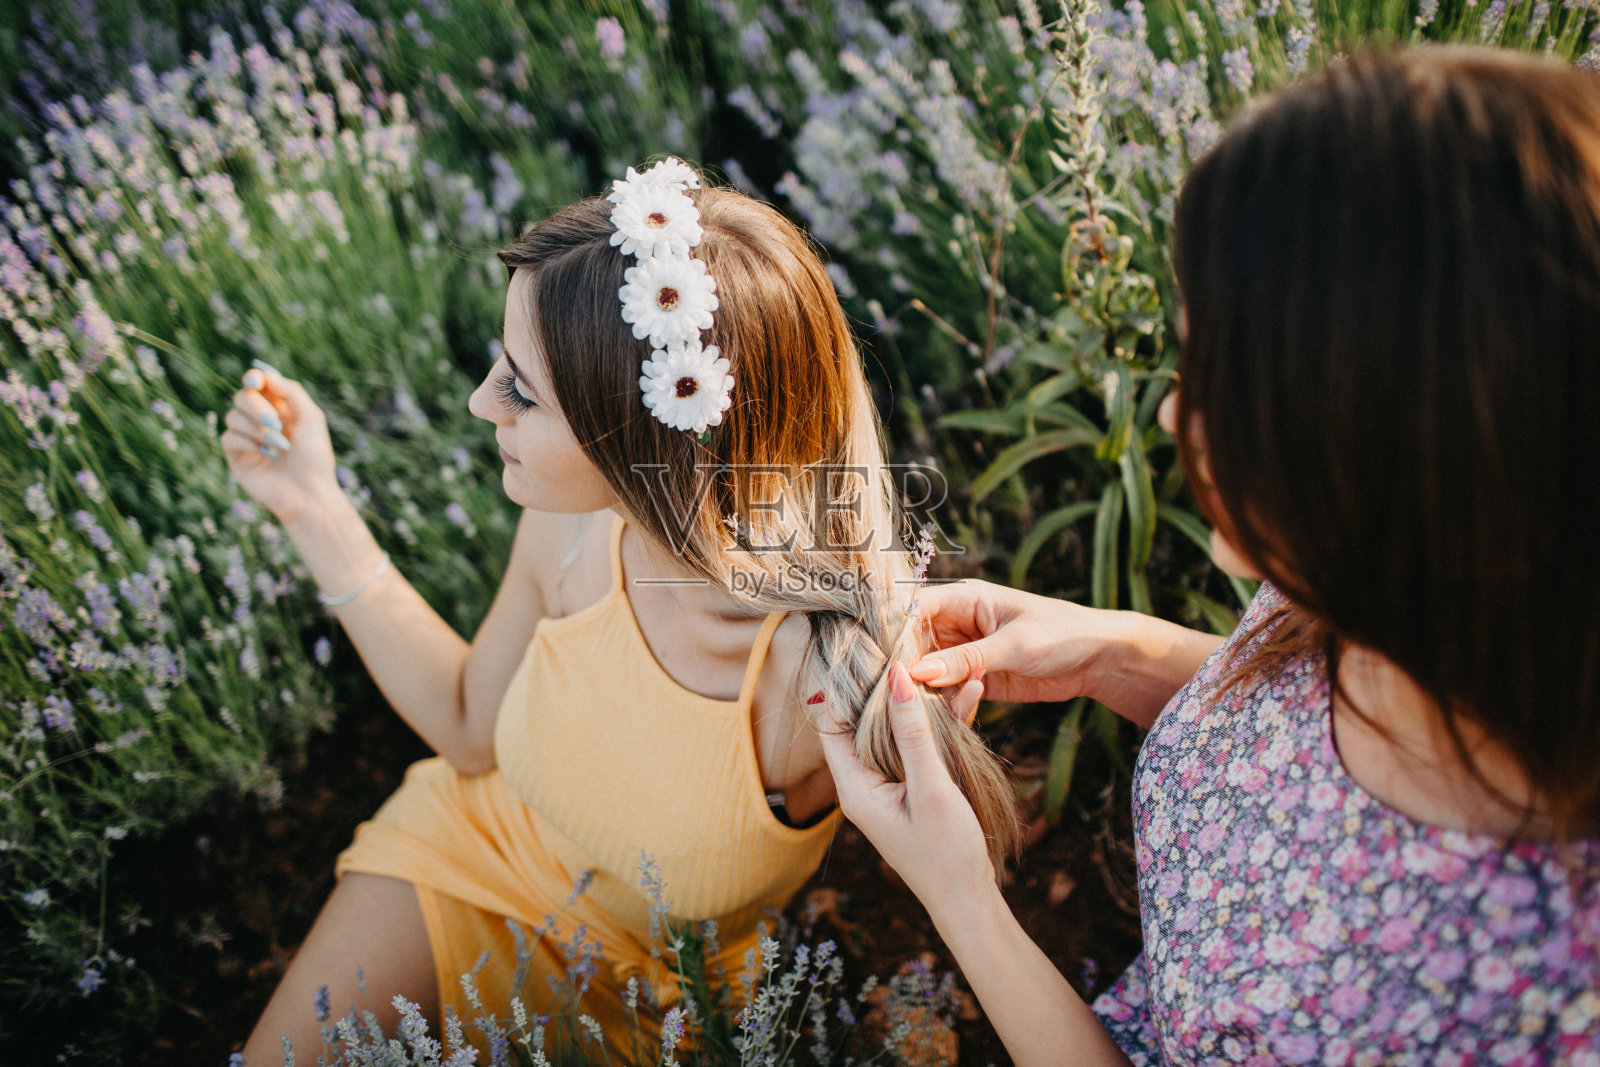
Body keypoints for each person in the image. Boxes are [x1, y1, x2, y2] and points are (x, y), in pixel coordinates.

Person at [819, 46, 1600, 1065]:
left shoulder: (1522, 1006)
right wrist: (1114, 653)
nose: (1177, 409)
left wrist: (960, 898)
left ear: (1389, 442)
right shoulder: (1383, 579)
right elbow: (1305, 762)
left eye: (1219, 379)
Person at [220, 161, 1018, 1061]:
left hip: (665, 1000)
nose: (482, 401)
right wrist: (311, 506)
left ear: (647, 437)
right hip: (470, 855)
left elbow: (957, 867)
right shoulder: (571, 534)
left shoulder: (815, 671)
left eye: (522, 390)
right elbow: (469, 729)